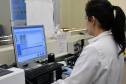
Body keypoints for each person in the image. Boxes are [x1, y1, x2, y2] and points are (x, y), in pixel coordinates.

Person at [53, 0, 125, 84]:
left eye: (86, 18)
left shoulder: (94, 49)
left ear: (93, 20)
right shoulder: (116, 42)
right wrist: (75, 73)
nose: (86, 22)